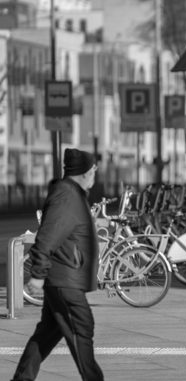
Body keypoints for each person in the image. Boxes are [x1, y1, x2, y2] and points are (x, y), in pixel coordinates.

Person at [13, 148, 104, 381]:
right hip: (64, 279)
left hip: (65, 277)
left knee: (47, 333)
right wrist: (38, 274)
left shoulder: (73, 194)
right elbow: (47, 236)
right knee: (82, 327)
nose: (95, 174)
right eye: (93, 169)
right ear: (83, 172)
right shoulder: (67, 196)